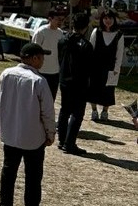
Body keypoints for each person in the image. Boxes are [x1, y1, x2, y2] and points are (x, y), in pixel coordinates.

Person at [0, 42, 56, 206]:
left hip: (11, 132)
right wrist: (50, 133)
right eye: (42, 57)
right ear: (35, 58)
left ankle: (4, 205)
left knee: (8, 169)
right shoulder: (39, 81)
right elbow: (47, 112)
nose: (43, 60)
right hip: (33, 136)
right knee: (33, 174)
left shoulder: (6, 74)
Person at [56, 13, 94, 155]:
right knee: (77, 113)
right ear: (85, 27)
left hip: (64, 79)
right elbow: (89, 67)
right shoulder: (86, 45)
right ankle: (69, 143)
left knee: (64, 110)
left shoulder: (64, 40)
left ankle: (61, 140)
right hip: (79, 83)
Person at [87, 11, 125, 122]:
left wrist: (116, 69)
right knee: (93, 89)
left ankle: (105, 111)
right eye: (105, 18)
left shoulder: (119, 35)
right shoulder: (96, 32)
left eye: (110, 18)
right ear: (102, 20)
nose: (108, 21)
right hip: (95, 67)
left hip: (110, 67)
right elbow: (90, 49)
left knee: (108, 90)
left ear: (114, 20)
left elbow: (119, 53)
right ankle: (94, 111)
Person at [31, 10, 65, 100]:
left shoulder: (60, 33)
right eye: (57, 19)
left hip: (54, 71)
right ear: (50, 19)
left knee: (50, 98)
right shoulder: (41, 32)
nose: (60, 22)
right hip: (41, 70)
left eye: (62, 20)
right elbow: (34, 50)